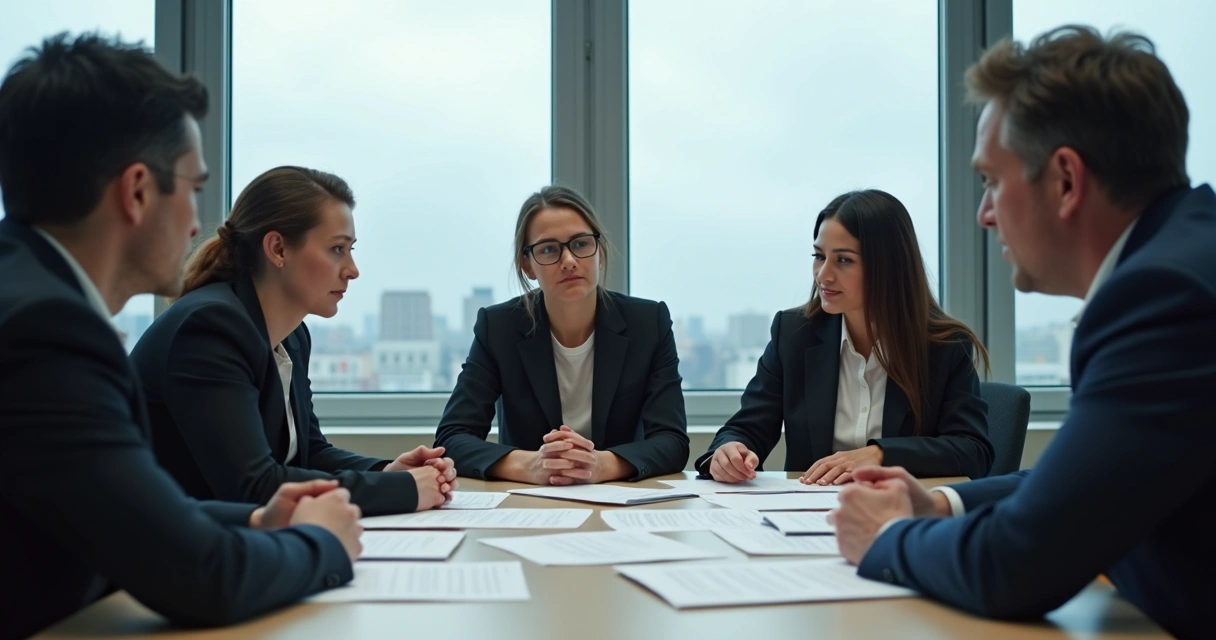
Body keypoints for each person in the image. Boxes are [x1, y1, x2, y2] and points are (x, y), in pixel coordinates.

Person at [829, 26, 1215, 639]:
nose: (984, 214)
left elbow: (1015, 565)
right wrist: (941, 503)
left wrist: (890, 536)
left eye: (991, 180)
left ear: (1065, 180)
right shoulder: (1183, 262)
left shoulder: (1166, 298)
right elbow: (1089, 478)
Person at [0, 33, 362, 639]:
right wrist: (322, 543)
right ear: (138, 191)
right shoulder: (46, 334)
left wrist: (255, 519)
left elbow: (124, 513)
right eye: (193, 188)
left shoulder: (33, 299)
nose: (199, 221)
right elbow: (202, 577)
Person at [130, 166, 456, 516]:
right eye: (337, 249)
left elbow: (310, 453)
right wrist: (403, 490)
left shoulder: (292, 335)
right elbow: (252, 486)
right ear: (278, 248)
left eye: (350, 250)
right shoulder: (210, 329)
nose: (352, 269)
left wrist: (385, 472)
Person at [696, 190, 993, 485]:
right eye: (819, 256)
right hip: (804, 516)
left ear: (889, 265)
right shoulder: (793, 334)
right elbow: (748, 427)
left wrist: (879, 454)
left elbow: (972, 451)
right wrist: (729, 451)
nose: (823, 275)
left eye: (844, 260)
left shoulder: (945, 345)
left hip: (901, 514)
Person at [435, 185, 689, 483]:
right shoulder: (499, 327)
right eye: (548, 249)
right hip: (531, 504)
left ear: (600, 252)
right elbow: (452, 438)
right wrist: (532, 465)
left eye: (581, 244)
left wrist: (600, 464)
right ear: (527, 265)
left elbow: (672, 441)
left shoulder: (648, 322)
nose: (569, 260)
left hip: (620, 499)